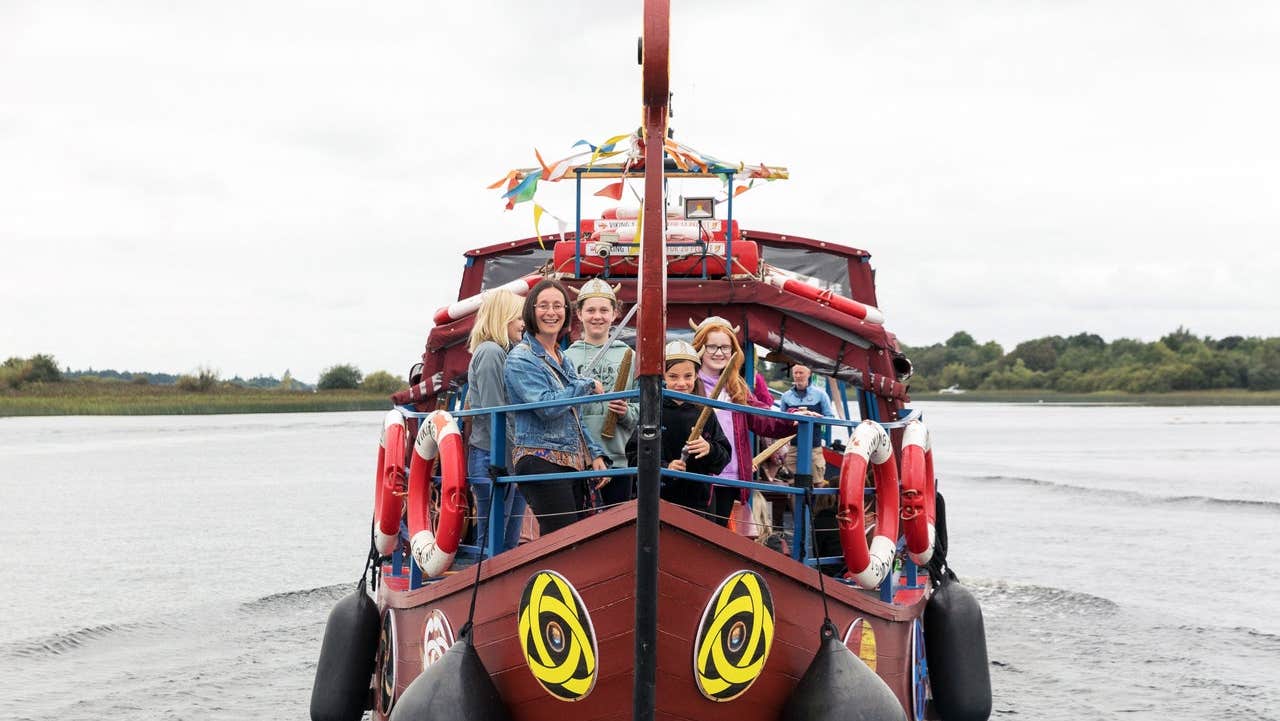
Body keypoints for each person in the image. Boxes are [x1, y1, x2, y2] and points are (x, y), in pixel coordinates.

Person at [504, 278, 610, 535]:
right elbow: (546, 406)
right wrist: (585, 385)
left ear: (566, 312)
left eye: (558, 306)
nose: (551, 312)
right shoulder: (520, 358)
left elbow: (575, 413)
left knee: (572, 538)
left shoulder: (562, 357)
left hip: (570, 460)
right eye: (543, 306)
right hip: (539, 458)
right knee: (562, 537)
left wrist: (594, 454)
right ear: (531, 310)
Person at [689, 316, 799, 526]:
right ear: (700, 348)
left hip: (731, 476)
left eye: (725, 347)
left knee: (720, 535)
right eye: (711, 346)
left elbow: (761, 417)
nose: (719, 353)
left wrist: (792, 419)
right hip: (700, 475)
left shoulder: (735, 387)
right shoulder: (689, 384)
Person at [625, 340, 731, 519]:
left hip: (698, 503)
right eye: (673, 376)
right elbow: (634, 456)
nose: (681, 383)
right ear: (663, 376)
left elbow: (723, 458)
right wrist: (665, 467)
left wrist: (709, 449)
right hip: (657, 501)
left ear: (696, 375)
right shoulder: (652, 412)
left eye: (688, 376)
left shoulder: (705, 411)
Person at [563, 278, 638, 506]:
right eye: (591, 310)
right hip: (577, 458)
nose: (598, 316)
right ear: (579, 313)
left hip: (618, 458)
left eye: (604, 310)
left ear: (615, 313)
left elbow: (642, 408)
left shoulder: (630, 356)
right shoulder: (566, 357)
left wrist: (626, 412)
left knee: (614, 530)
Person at [465, 288, 527, 552]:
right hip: (494, 456)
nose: (523, 324)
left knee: (506, 543)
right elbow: (494, 410)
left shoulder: (502, 352)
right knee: (494, 541)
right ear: (503, 318)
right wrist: (514, 456)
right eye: (518, 317)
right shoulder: (491, 353)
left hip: (502, 453)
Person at [779, 363, 835, 482]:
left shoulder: (820, 395)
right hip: (793, 447)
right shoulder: (786, 396)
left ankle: (818, 501)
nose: (798, 376)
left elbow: (830, 418)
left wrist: (815, 418)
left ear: (809, 374)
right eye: (796, 373)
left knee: (817, 482)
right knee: (792, 484)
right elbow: (781, 421)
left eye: (801, 373)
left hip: (814, 447)